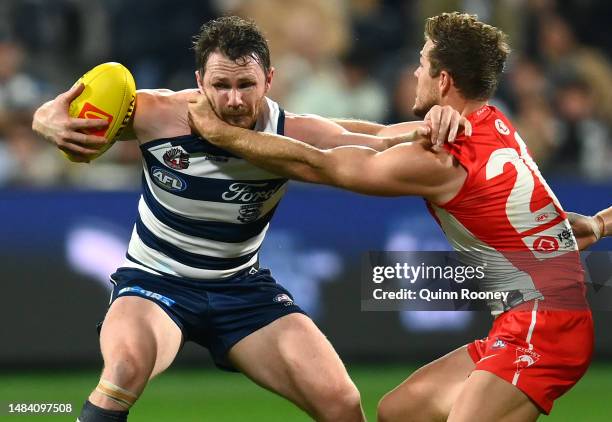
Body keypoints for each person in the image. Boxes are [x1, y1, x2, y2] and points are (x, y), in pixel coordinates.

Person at [32, 16, 469, 422]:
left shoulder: (290, 131)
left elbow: (374, 137)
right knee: (125, 369)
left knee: (341, 402)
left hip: (241, 288)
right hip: (155, 280)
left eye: (247, 84)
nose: (234, 99)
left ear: (270, 80)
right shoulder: (157, 114)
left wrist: (436, 121)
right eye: (221, 85)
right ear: (199, 81)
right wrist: (45, 119)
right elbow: (61, 113)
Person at [188, 12, 601, 421]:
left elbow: (324, 165)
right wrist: (598, 224)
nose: (414, 71)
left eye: (422, 63)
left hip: (542, 328)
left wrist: (224, 136)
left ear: (443, 81)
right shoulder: (493, 122)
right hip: (524, 322)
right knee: (401, 412)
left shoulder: (439, 161)